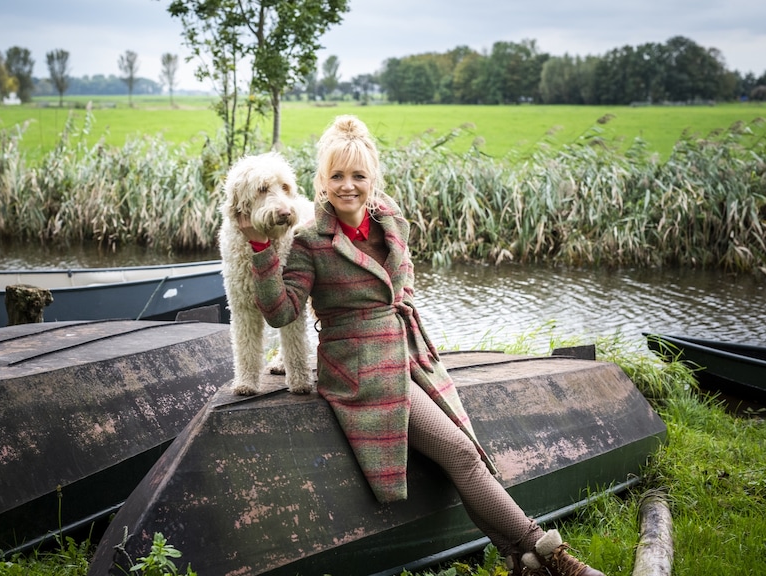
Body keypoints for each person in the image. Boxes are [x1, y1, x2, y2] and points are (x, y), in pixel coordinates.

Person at [238, 115, 605, 576]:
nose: (347, 186)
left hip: (409, 352)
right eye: (336, 176)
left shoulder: (390, 222)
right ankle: (553, 556)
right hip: (361, 369)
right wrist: (259, 249)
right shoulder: (311, 241)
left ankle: (522, 558)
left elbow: (404, 284)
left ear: (373, 179)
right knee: (461, 452)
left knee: (467, 448)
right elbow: (282, 312)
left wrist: (401, 308)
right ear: (321, 182)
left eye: (358, 176)